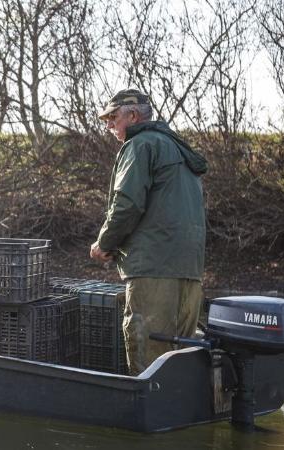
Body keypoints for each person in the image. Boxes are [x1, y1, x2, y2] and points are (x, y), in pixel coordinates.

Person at [90, 88, 208, 375]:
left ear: (132, 116)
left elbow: (127, 204)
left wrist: (104, 244)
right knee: (182, 354)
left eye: (113, 118)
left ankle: (151, 417)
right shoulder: (177, 148)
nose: (109, 126)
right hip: (189, 268)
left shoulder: (140, 145)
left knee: (149, 354)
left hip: (154, 268)